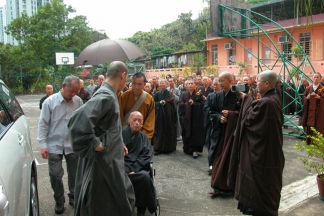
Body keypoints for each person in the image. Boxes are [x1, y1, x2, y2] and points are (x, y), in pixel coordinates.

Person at [67, 61, 135, 216]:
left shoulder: (110, 94)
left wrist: (118, 142)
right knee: (107, 205)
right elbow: (77, 123)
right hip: (104, 165)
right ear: (123, 75)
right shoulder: (106, 96)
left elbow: (104, 126)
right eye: (127, 77)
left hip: (110, 160)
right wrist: (96, 144)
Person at [228, 70, 285, 216]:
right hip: (271, 151)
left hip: (262, 155)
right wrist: (249, 98)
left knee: (258, 187)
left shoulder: (267, 102)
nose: (255, 84)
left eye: (258, 81)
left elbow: (248, 120)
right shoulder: (274, 99)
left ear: (267, 83)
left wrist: (246, 99)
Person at [37, 76, 83, 214]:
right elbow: (43, 124)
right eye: (72, 90)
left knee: (75, 174)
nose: (74, 94)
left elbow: (81, 122)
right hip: (53, 144)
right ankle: (59, 200)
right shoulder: (49, 102)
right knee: (55, 175)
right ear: (64, 86)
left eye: (77, 91)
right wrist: (43, 145)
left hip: (72, 144)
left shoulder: (78, 101)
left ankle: (73, 196)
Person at [205, 71, 243, 192]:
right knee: (217, 156)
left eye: (222, 81)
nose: (220, 83)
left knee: (230, 157)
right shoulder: (217, 95)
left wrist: (231, 114)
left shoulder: (238, 95)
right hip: (219, 130)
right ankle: (216, 185)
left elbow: (244, 113)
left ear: (231, 81)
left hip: (232, 132)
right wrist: (218, 117)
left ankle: (229, 186)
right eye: (219, 81)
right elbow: (212, 111)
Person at [123, 111, 157, 216]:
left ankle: (141, 209)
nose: (137, 123)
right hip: (122, 168)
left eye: (140, 121)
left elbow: (146, 156)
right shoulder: (120, 135)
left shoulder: (143, 138)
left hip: (138, 168)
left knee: (145, 176)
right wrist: (127, 170)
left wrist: (134, 169)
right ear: (129, 121)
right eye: (134, 120)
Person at [119, 72, 155, 141]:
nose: (136, 87)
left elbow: (150, 121)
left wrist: (145, 138)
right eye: (134, 83)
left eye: (139, 84)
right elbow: (120, 116)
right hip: (125, 134)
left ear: (144, 84)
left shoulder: (149, 99)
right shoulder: (124, 96)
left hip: (141, 136)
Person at [179, 79, 205, 158]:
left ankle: (195, 150)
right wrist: (187, 104)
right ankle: (187, 148)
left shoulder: (198, 93)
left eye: (191, 83)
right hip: (187, 118)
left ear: (195, 85)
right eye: (188, 84)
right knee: (186, 131)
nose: (190, 85)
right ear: (186, 85)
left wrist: (194, 104)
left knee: (195, 133)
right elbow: (181, 104)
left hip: (196, 118)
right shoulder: (184, 94)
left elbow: (203, 104)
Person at [153, 79, 177, 154]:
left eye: (163, 83)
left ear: (166, 85)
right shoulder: (157, 94)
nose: (161, 84)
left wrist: (166, 103)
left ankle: (168, 148)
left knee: (168, 130)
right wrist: (159, 103)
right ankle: (158, 148)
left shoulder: (169, 94)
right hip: (159, 115)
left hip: (168, 116)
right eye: (160, 83)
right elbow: (153, 103)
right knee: (159, 130)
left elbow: (172, 103)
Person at [302, 72, 324, 144]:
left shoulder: (322, 88)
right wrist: (307, 98)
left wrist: (320, 98)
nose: (316, 79)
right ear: (312, 78)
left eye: (317, 77)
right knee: (310, 125)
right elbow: (304, 97)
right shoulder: (308, 88)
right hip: (310, 111)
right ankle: (309, 141)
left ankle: (316, 142)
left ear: (320, 79)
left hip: (318, 112)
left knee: (318, 126)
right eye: (314, 77)